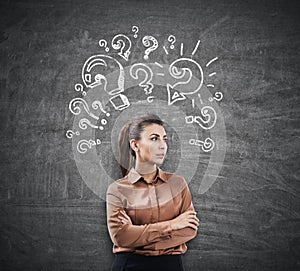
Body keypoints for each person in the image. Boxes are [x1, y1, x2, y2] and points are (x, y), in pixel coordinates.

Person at [106, 113, 199, 271]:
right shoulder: (118, 189)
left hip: (172, 266)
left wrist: (140, 242)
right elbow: (121, 236)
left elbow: (189, 229)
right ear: (135, 145)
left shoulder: (177, 184)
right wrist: (172, 224)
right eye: (154, 138)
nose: (162, 145)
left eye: (164, 139)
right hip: (130, 266)